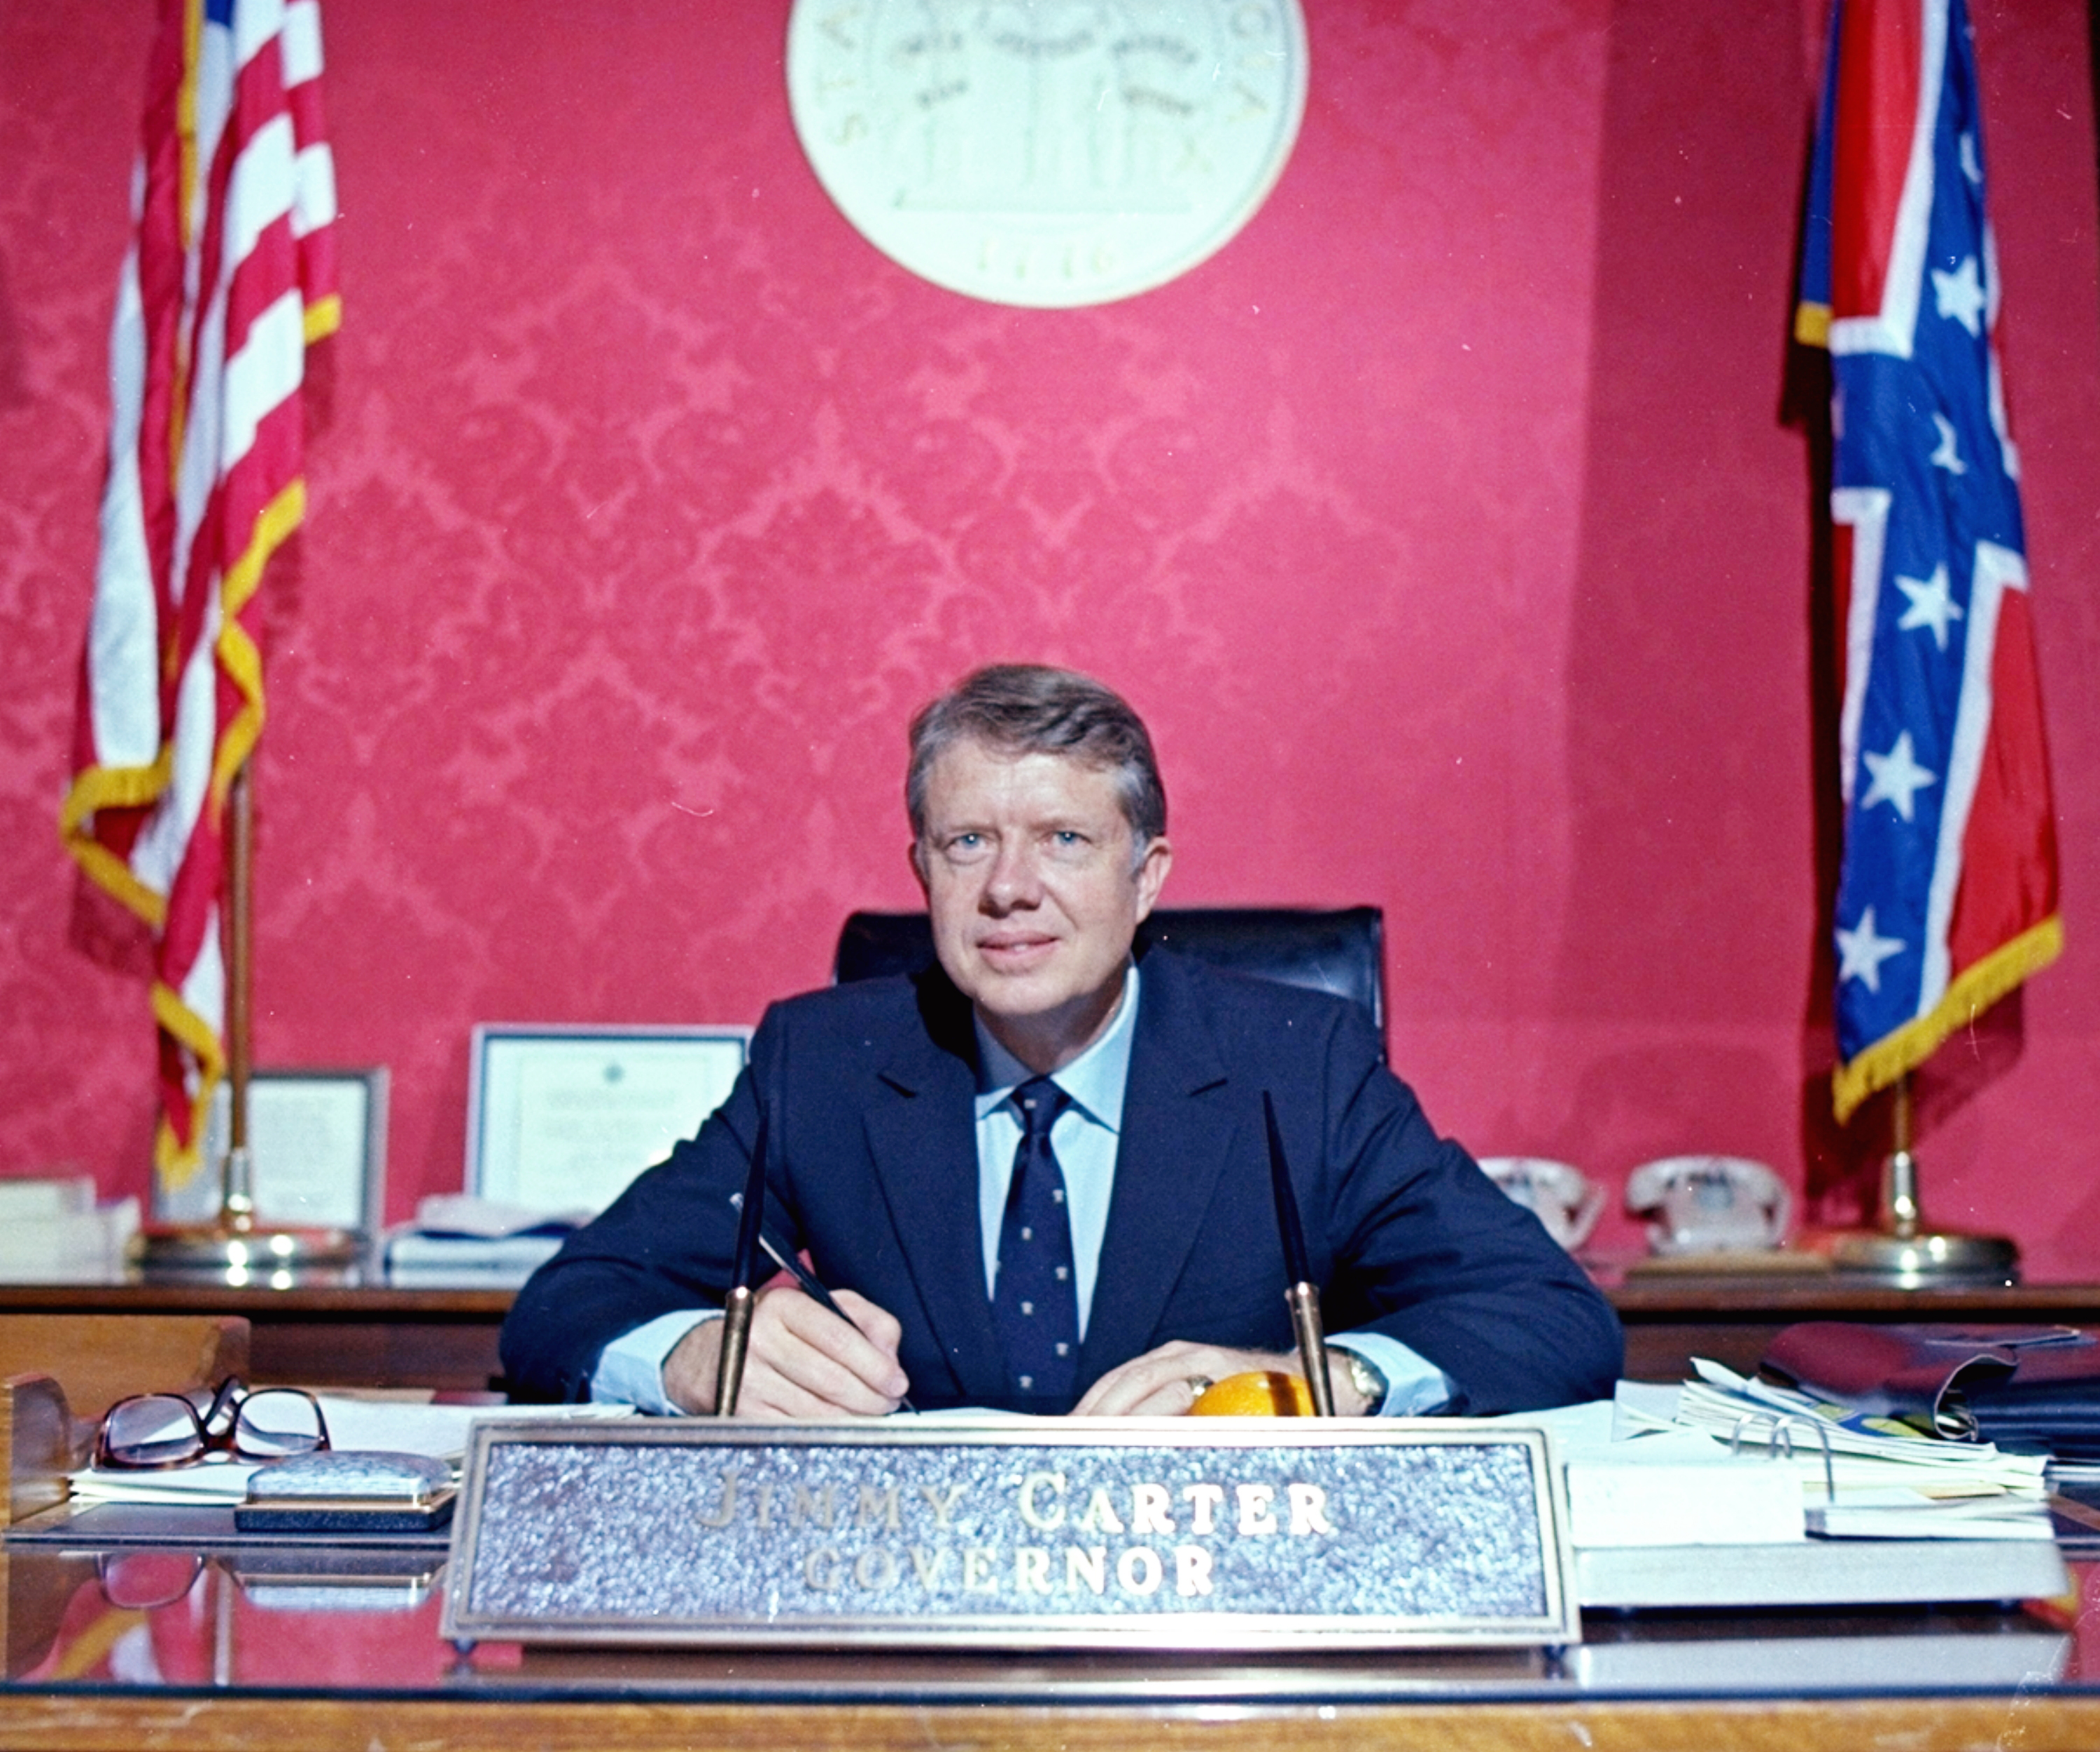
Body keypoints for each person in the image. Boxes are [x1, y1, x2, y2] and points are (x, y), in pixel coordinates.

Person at [500, 665, 1622, 1417]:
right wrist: (698, 1360)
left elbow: (1552, 1316)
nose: (1010, 891)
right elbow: (566, 1305)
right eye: (969, 841)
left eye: (1066, 840)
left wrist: (1327, 1381)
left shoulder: (1298, 1065)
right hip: (912, 1630)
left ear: (1149, 880)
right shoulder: (825, 1064)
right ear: (921, 874)